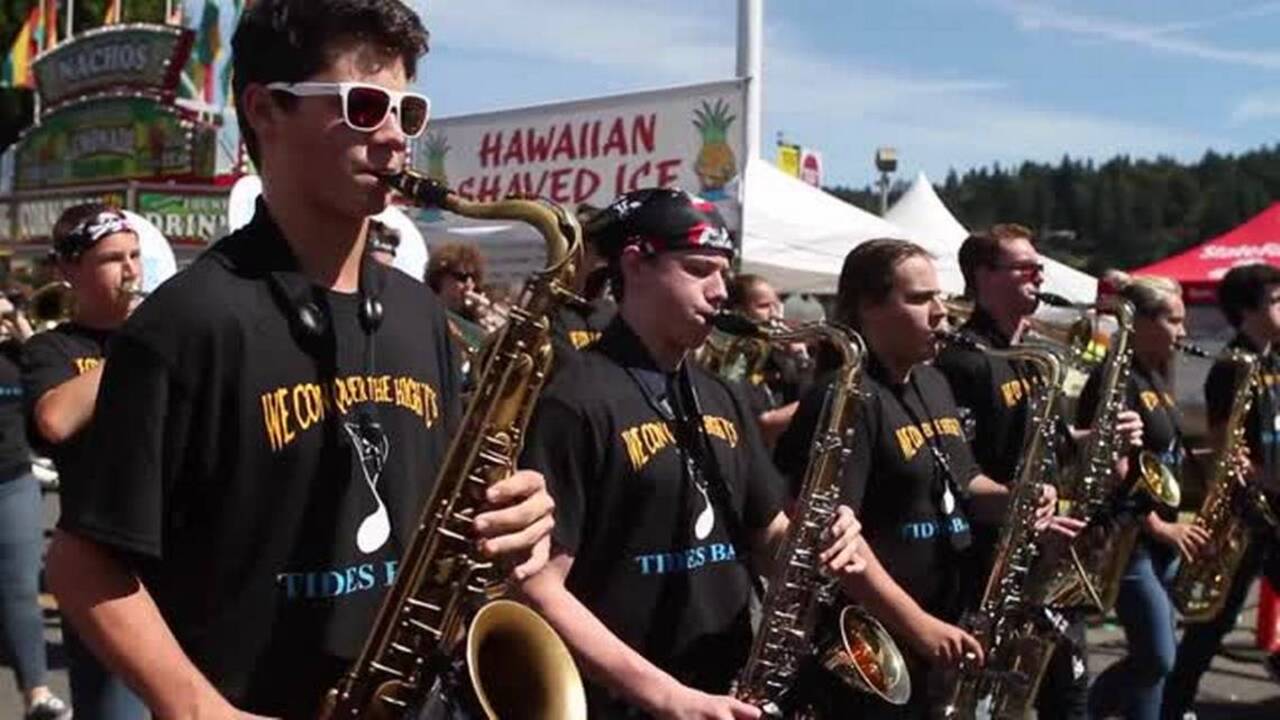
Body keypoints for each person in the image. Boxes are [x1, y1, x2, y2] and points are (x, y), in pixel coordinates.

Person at [43, 2, 555, 717]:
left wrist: (514, 518)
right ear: (266, 110)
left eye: (409, 112)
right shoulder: (187, 321)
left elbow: (440, 506)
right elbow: (79, 561)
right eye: (366, 105)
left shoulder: (421, 316)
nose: (395, 137)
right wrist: (198, 708)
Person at [518, 188, 867, 719]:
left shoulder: (720, 394)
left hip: (728, 690)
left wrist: (819, 538)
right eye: (699, 269)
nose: (720, 291)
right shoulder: (573, 399)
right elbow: (539, 587)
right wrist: (666, 696)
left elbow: (766, 531)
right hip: (627, 703)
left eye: (724, 273)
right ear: (635, 264)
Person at [774, 238, 1063, 718]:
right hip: (879, 639)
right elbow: (834, 537)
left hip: (943, 623)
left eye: (941, 297)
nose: (941, 313)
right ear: (869, 307)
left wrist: (1019, 497)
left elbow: (965, 481)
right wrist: (918, 626)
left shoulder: (933, 381)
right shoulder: (845, 396)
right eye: (919, 299)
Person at [933, 224, 1135, 720]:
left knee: (1069, 697)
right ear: (983, 275)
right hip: (989, 559)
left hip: (1042, 554)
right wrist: (1023, 511)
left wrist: (1099, 436)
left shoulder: (1032, 355)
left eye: (1039, 264)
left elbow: (1052, 445)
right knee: (987, 700)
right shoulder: (966, 359)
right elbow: (954, 466)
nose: (1040, 272)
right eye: (1024, 265)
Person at [21, 204, 147, 720]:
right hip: (103, 565)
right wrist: (141, 344)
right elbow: (54, 421)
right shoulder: (53, 348)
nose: (131, 270)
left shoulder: (169, 338)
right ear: (70, 271)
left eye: (135, 255)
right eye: (112, 258)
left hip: (178, 558)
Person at [1077, 276, 1209, 720]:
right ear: (1142, 323)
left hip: (1156, 542)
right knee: (1158, 656)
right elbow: (1112, 468)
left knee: (1156, 666)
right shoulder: (1115, 377)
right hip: (1132, 538)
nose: (1183, 331)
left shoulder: (1153, 372)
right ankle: (1091, 707)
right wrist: (1161, 526)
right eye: (1174, 320)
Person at [1163, 262, 1280, 720]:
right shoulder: (1232, 366)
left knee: (1217, 620)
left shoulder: (1271, 359)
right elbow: (1224, 444)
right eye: (1274, 301)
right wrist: (1262, 482)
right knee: (1214, 620)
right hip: (1248, 514)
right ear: (1247, 311)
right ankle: (1168, 706)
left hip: (1270, 510)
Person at [0, 292, 69, 720]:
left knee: (21, 590)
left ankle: (38, 696)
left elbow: (52, 391)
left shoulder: (18, 354)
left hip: (12, 481)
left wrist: (21, 327)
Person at [723, 273, 809, 447]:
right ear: (738, 312)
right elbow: (765, 424)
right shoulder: (741, 352)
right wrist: (822, 399)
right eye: (763, 306)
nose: (775, 315)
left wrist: (801, 360)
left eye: (776, 306)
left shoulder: (777, 353)